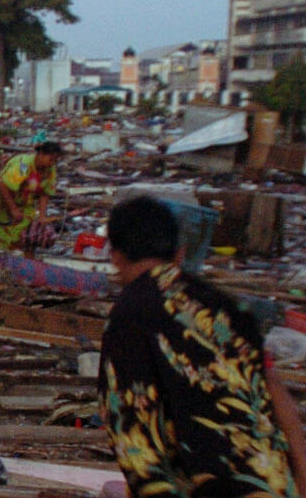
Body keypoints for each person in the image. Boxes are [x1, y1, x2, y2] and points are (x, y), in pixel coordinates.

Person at [98, 196, 306, 497]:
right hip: (271, 484)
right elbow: (275, 390)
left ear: (115, 255)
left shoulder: (128, 317)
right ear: (180, 254)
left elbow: (132, 429)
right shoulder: (227, 307)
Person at [0, 140, 63, 267]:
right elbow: (3, 186)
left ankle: (30, 267)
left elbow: (45, 193)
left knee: (29, 232)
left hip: (24, 200)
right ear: (40, 154)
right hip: (1, 197)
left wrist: (42, 216)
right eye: (51, 159)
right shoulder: (24, 166)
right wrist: (12, 209)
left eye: (55, 160)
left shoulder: (50, 170)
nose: (53, 163)